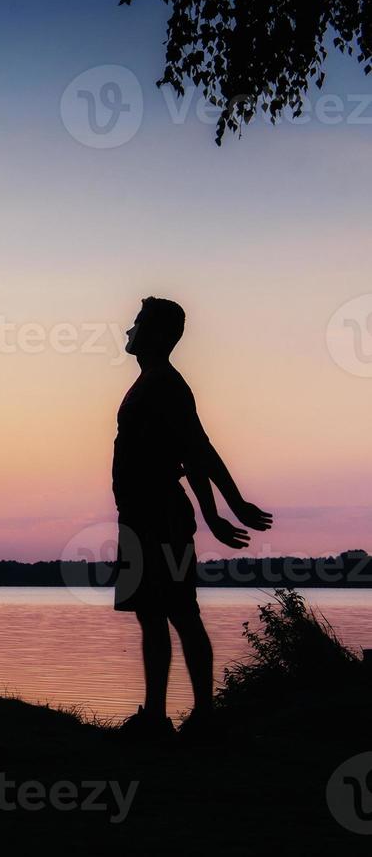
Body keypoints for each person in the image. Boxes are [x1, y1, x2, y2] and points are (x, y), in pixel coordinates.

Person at [111, 297, 273, 741]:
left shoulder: (166, 384)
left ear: (160, 335)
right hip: (140, 516)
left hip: (162, 516)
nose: (129, 330)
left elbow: (197, 448)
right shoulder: (149, 382)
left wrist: (227, 507)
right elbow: (188, 454)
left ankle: (203, 715)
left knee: (180, 610)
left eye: (139, 323)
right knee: (149, 612)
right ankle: (156, 717)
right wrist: (215, 510)